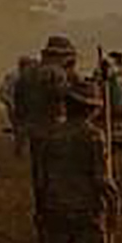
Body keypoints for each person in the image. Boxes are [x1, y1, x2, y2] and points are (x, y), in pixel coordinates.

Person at [34, 80, 118, 243]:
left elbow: (41, 179)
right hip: (86, 209)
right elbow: (101, 179)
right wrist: (114, 204)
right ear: (91, 109)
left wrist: (41, 208)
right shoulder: (93, 136)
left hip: (54, 207)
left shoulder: (50, 135)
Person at [14, 37, 77, 179]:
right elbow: (63, 96)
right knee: (55, 167)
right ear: (60, 56)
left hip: (32, 126)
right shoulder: (57, 72)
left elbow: (18, 100)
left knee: (37, 166)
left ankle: (40, 197)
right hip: (54, 126)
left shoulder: (26, 73)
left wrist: (22, 121)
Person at [0, 56, 35, 157]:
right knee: (20, 130)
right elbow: (3, 92)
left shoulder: (30, 77)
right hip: (16, 108)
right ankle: (19, 151)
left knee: (25, 130)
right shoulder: (13, 76)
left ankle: (23, 151)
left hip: (26, 108)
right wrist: (10, 104)